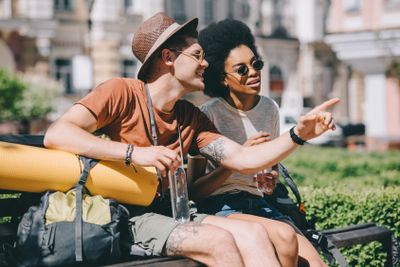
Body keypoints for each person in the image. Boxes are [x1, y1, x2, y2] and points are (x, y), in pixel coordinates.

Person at [44, 12, 337, 267]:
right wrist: (134, 152)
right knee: (220, 241)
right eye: (197, 55)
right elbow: (58, 134)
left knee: (256, 233)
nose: (206, 64)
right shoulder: (120, 91)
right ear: (168, 58)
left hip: (179, 214)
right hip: (129, 217)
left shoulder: (190, 116)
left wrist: (299, 135)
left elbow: (245, 160)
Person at [187, 19, 329, 267]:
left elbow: (270, 168)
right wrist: (236, 162)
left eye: (257, 64)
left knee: (317, 264)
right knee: (285, 237)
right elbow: (194, 192)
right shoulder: (208, 115)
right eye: (241, 69)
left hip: (260, 204)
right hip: (220, 207)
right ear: (222, 78)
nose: (253, 73)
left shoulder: (269, 108)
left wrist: (270, 179)